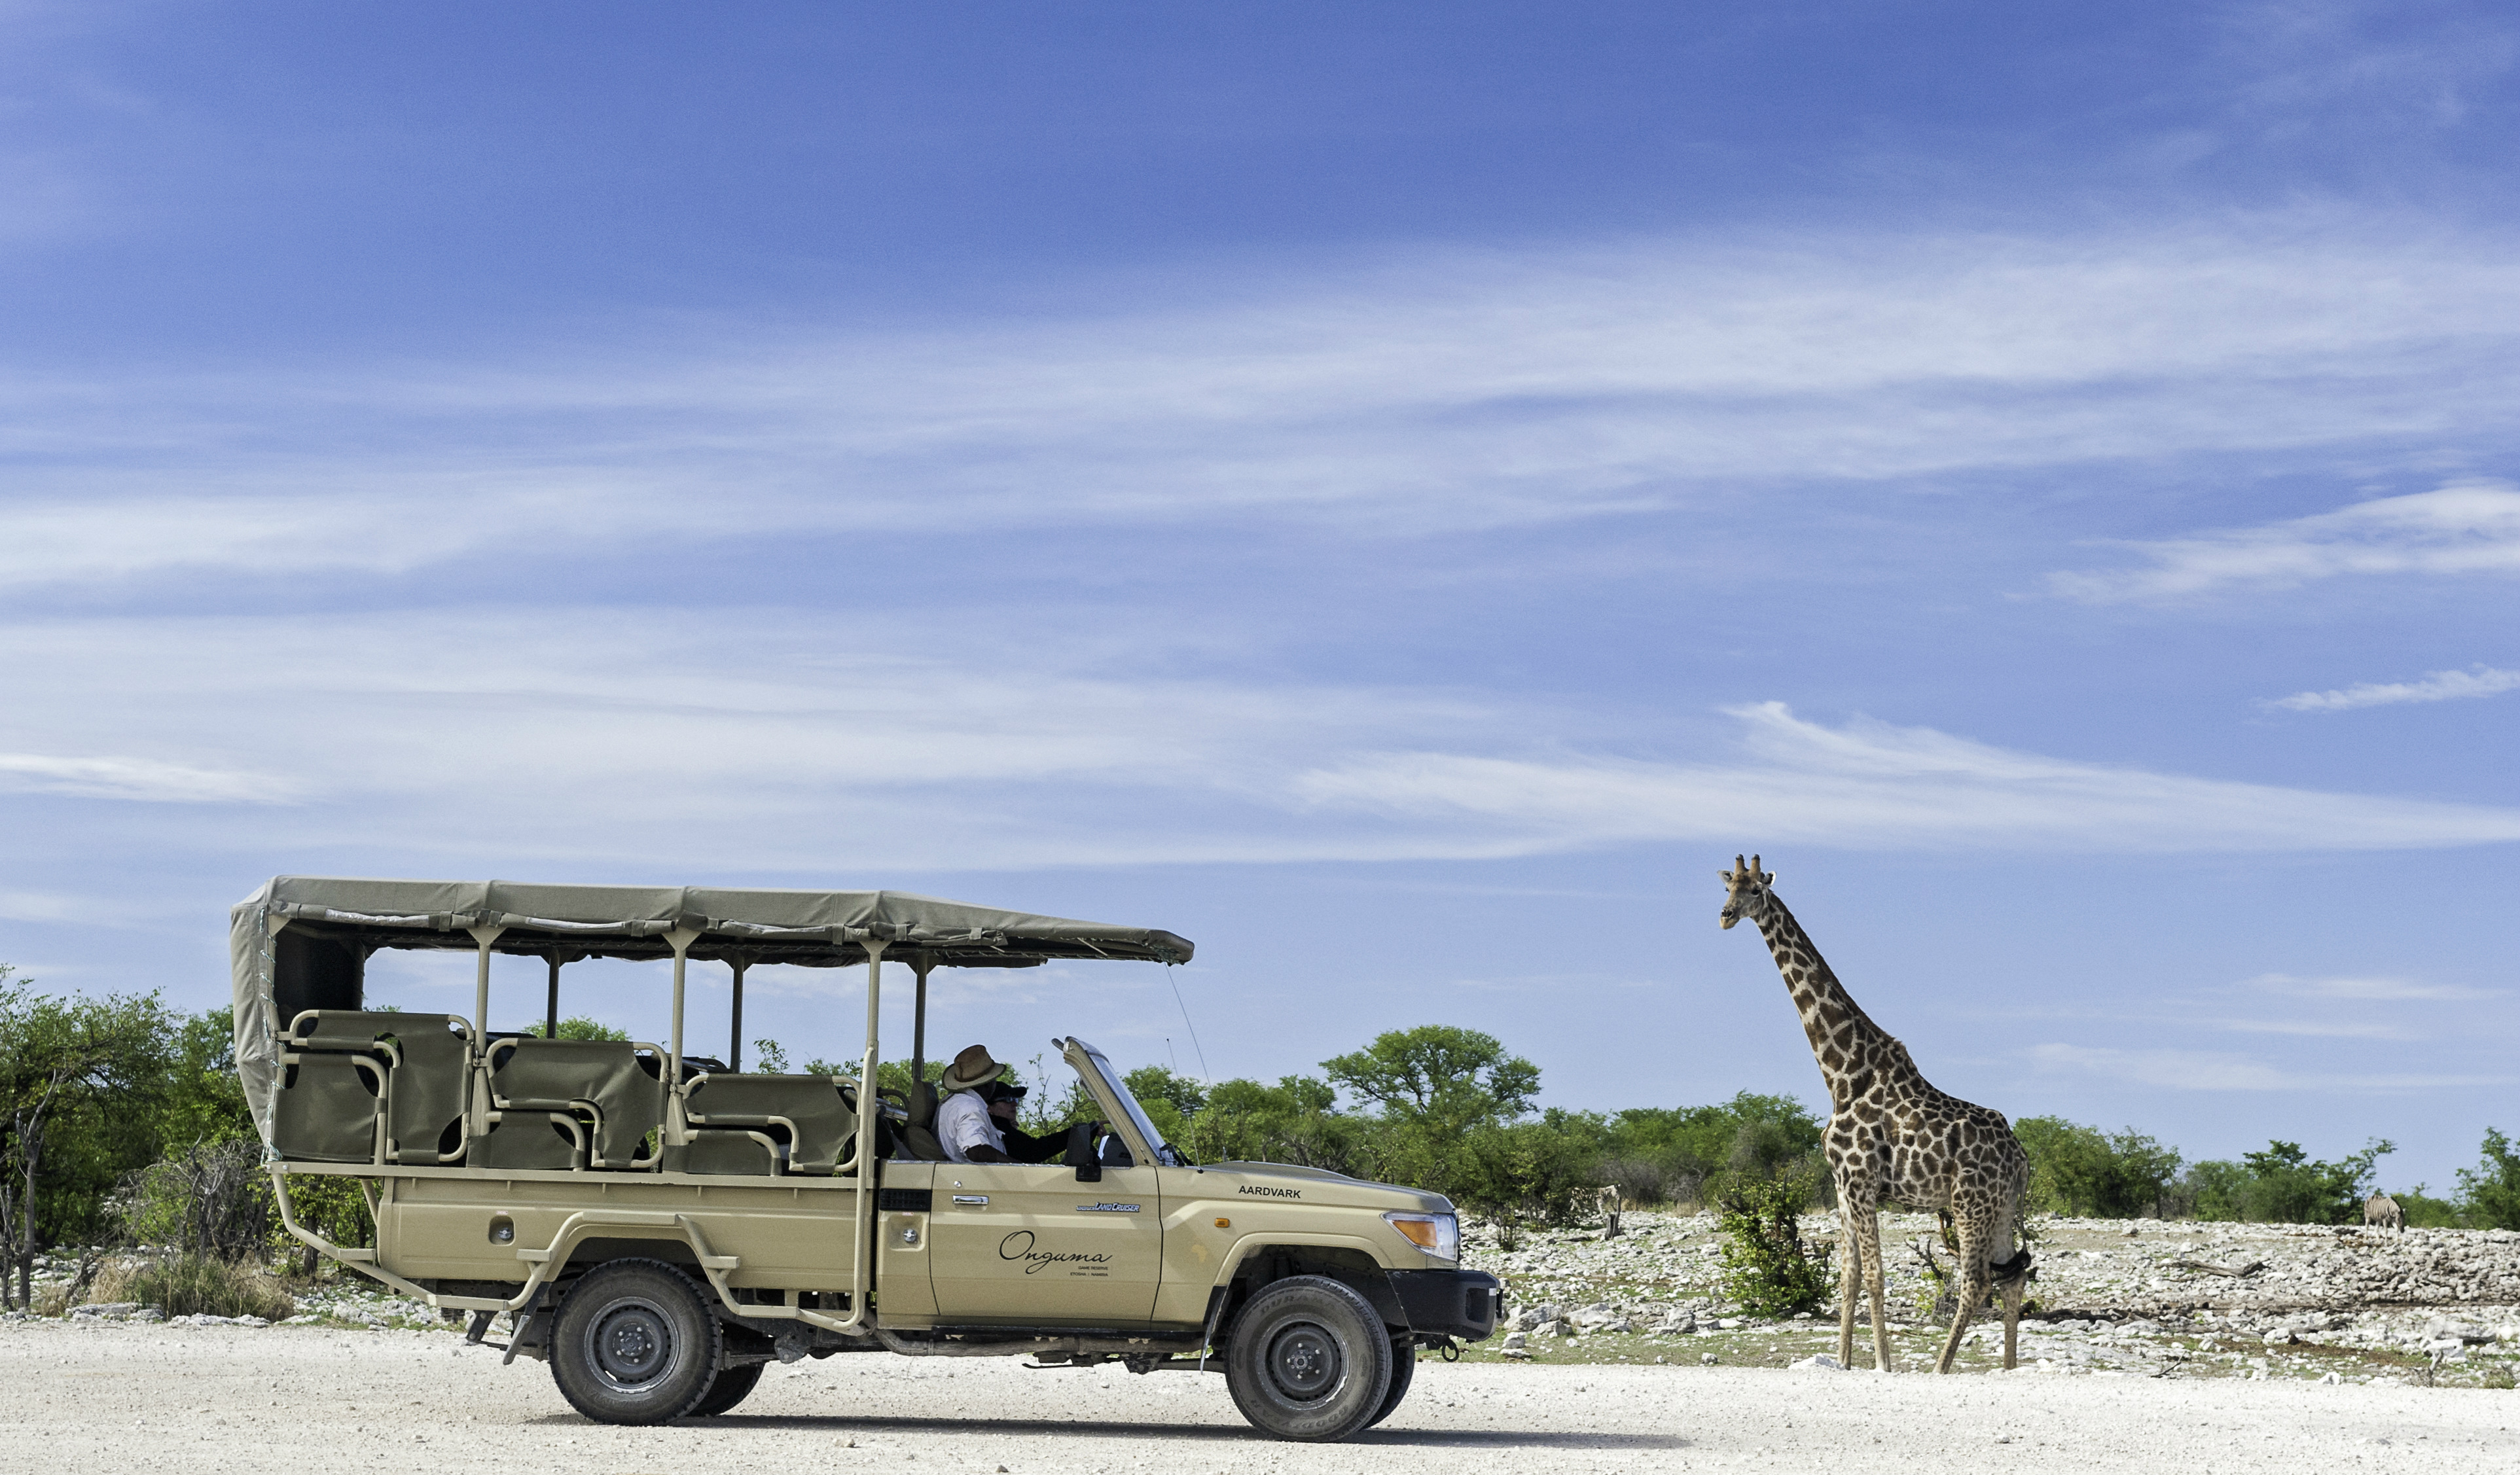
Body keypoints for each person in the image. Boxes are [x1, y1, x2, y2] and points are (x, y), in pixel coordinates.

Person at [933, 1044, 1072, 1164]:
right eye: (1006, 1099)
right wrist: (1017, 1168)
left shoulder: (951, 1103)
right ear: (988, 1083)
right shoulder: (970, 1107)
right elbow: (976, 1150)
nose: (1014, 1104)